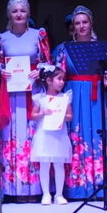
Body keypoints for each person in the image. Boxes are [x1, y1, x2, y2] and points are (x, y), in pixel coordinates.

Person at [53, 6, 107, 201]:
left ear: (91, 23)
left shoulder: (103, 48)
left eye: (85, 22)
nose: (81, 26)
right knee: (77, 137)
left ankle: (104, 185)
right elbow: (58, 77)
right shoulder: (64, 49)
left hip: (98, 96)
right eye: (77, 23)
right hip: (75, 98)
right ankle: (79, 187)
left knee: (101, 137)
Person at [0, 0, 51, 199]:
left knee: (33, 136)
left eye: (23, 10)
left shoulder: (38, 35)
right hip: (10, 94)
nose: (19, 14)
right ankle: (12, 189)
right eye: (15, 11)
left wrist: (39, 71)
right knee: (11, 137)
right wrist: (0, 70)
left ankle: (34, 188)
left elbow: (48, 62)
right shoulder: (1, 38)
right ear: (9, 14)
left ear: (28, 14)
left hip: (32, 92)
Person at [30, 65, 73, 205]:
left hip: (59, 135)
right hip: (44, 135)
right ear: (49, 80)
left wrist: (61, 116)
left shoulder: (64, 97)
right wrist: (42, 113)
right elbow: (33, 115)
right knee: (45, 164)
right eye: (59, 79)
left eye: (63, 79)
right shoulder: (40, 98)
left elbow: (70, 116)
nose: (62, 82)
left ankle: (59, 194)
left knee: (59, 164)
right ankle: (46, 194)